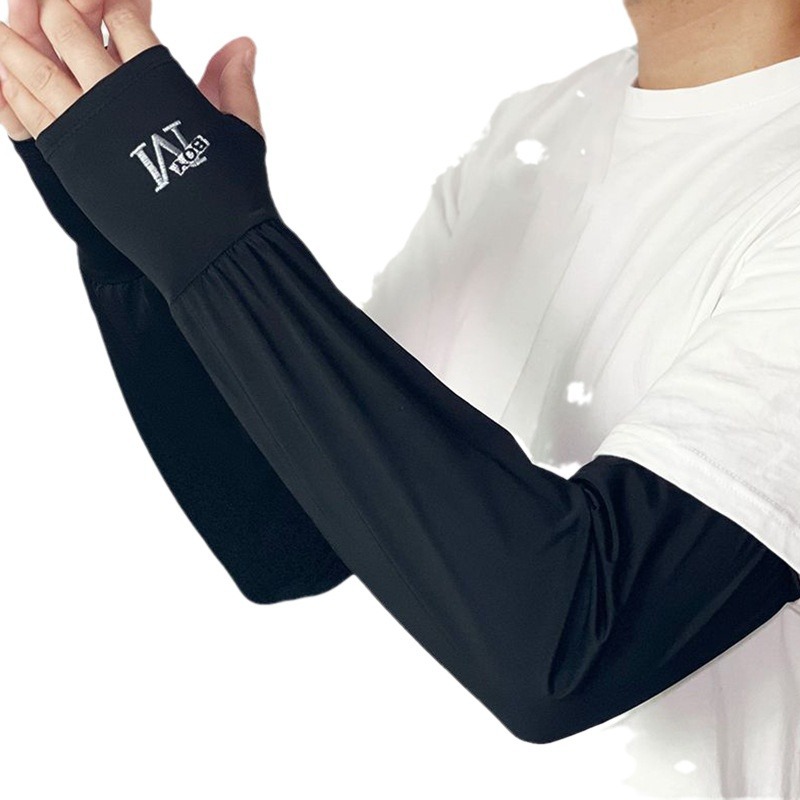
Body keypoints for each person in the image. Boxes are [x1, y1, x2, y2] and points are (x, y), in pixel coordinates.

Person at [1, 0, 799, 796]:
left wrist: (222, 245)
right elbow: (297, 532)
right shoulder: (547, 127)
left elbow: (570, 649)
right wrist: (142, 247)